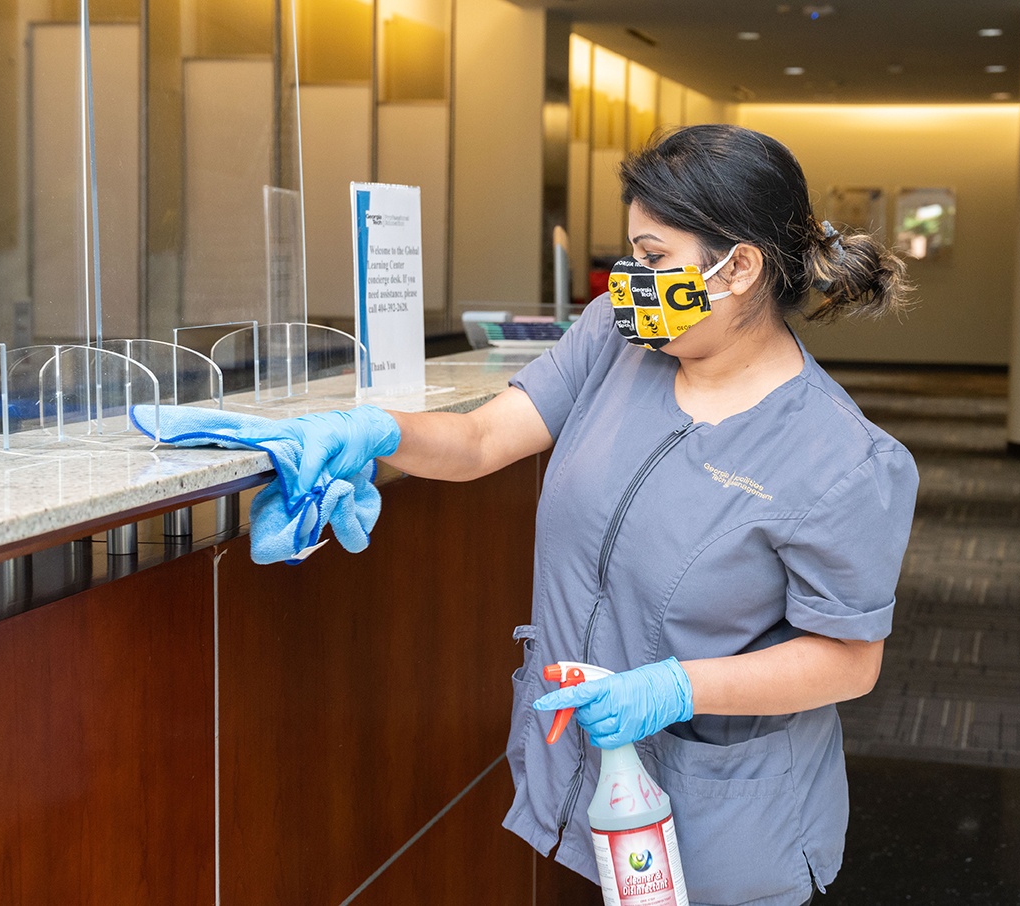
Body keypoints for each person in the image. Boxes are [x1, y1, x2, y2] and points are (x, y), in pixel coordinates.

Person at [220, 124, 919, 905]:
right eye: (633, 254)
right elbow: (482, 439)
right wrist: (378, 433)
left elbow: (849, 661)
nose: (632, 278)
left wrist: (674, 688)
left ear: (741, 267)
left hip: (725, 819)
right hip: (591, 781)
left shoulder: (844, 459)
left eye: (654, 257)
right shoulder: (614, 343)